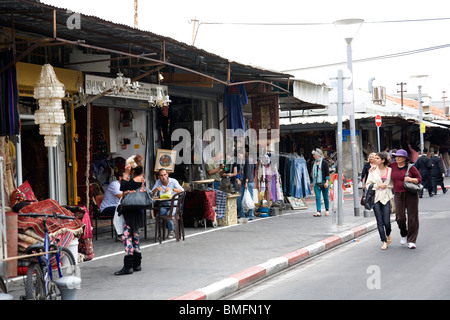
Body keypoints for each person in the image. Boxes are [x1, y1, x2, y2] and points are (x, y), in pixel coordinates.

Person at [115, 155, 146, 275]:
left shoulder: (136, 179)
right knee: (135, 235)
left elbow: (122, 186)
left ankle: (128, 266)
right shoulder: (141, 178)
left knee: (126, 237)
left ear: (133, 170)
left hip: (130, 212)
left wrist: (126, 174)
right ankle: (137, 264)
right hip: (136, 211)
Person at [390, 149, 422, 249]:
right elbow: (382, 170)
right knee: (400, 217)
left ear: (405, 158)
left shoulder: (411, 167)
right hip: (398, 194)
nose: (397, 158)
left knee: (412, 217)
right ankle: (404, 234)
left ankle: (411, 240)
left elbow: (419, 179)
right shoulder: (392, 166)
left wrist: (411, 179)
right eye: (396, 156)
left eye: (399, 156)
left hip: (410, 194)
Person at [366, 152, 393, 250]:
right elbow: (368, 184)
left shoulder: (390, 170)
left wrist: (386, 186)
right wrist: (377, 185)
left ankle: (388, 234)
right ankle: (384, 241)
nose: (374, 159)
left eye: (377, 158)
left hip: (386, 197)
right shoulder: (372, 171)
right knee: (379, 221)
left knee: (387, 221)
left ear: (383, 160)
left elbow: (392, 184)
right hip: (376, 198)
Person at [151, 168, 184, 239]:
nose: (163, 177)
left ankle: (171, 230)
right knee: (158, 215)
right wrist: (156, 189)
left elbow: (182, 191)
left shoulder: (173, 181)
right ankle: (160, 233)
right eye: (161, 175)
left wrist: (172, 189)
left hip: (174, 204)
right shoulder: (158, 182)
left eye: (164, 175)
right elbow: (151, 193)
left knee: (169, 214)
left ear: (167, 174)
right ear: (159, 177)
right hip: (164, 204)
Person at [236, 150, 256, 220]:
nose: (239, 156)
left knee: (248, 198)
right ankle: (244, 214)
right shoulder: (245, 161)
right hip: (247, 181)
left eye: (239, 155)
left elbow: (248, 172)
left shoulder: (247, 160)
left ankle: (250, 214)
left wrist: (246, 182)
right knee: (245, 197)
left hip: (248, 182)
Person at [311, 148, 330, 217]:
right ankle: (318, 211)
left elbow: (327, 174)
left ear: (318, 155)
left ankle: (327, 210)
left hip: (324, 182)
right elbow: (312, 174)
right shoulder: (313, 163)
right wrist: (311, 182)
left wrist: (327, 182)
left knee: (325, 197)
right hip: (316, 182)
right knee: (317, 197)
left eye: (314, 155)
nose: (313, 156)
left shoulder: (324, 163)